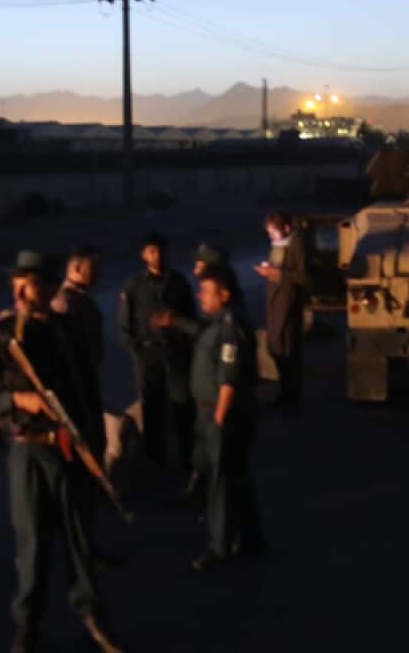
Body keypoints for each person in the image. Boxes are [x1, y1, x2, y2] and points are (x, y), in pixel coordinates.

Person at [0, 249, 121, 653]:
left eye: (28, 281)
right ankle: (28, 625)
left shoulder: (68, 331)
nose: (19, 289)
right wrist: (18, 400)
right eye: (16, 281)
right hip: (29, 452)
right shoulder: (2, 336)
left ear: (48, 287)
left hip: (72, 451)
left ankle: (92, 615)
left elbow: (86, 393)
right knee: (32, 545)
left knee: (80, 540)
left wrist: (95, 450)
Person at [163, 265, 266, 570]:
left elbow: (229, 379)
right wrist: (176, 322)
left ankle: (220, 547)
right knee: (237, 478)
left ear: (225, 294)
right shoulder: (217, 322)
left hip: (222, 414)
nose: (200, 296)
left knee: (220, 482)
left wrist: (219, 419)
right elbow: (202, 332)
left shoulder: (231, 326)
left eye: (207, 291)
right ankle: (251, 539)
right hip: (215, 412)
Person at [54, 244, 125, 568]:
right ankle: (79, 548)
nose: (99, 274)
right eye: (94, 268)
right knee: (80, 471)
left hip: (84, 392)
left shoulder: (75, 300)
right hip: (75, 398)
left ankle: (83, 543)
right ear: (79, 269)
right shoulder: (67, 303)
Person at [118, 232, 198, 473]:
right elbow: (125, 326)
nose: (157, 255)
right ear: (144, 255)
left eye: (161, 250)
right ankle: (155, 462)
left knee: (182, 407)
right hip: (148, 357)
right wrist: (137, 352)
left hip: (176, 355)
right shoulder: (134, 286)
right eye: (152, 251)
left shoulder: (179, 283)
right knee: (152, 411)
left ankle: (189, 460)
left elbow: (191, 319)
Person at [253, 212, 308, 414]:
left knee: (288, 350)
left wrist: (276, 273)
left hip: (288, 304)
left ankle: (291, 398)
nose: (271, 237)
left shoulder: (297, 243)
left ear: (286, 228)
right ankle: (285, 393)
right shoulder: (281, 245)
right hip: (276, 303)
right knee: (275, 347)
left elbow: (301, 276)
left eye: (273, 232)